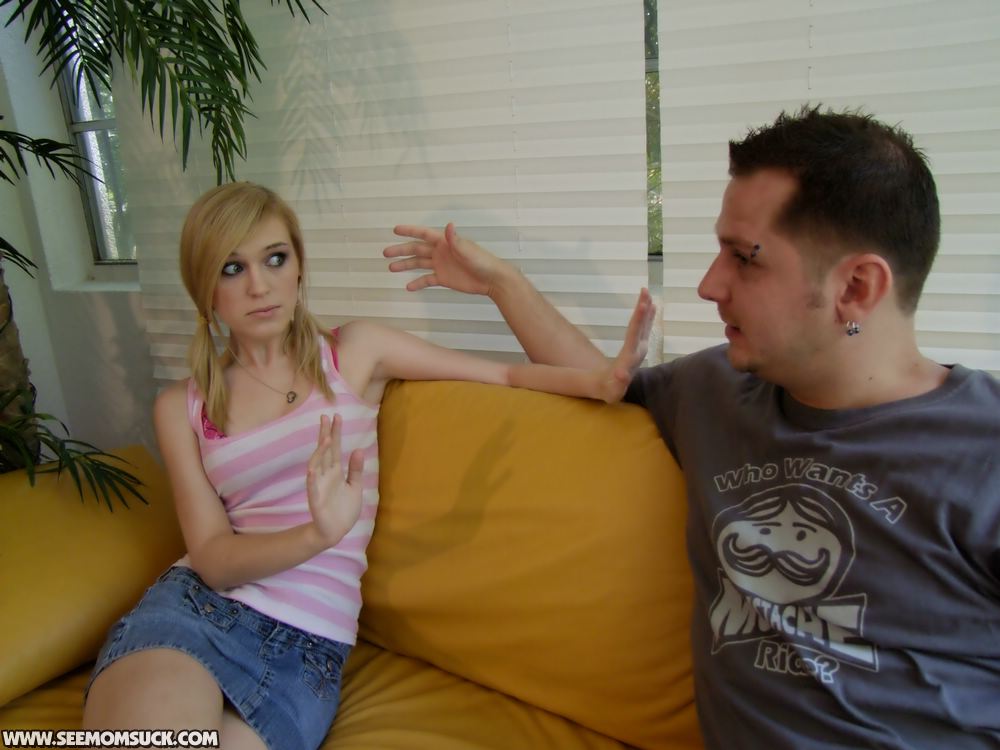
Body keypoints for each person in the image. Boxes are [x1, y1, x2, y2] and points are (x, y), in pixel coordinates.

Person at [384, 105, 1000, 749]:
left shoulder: (983, 449)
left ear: (857, 287)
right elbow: (602, 383)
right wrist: (503, 284)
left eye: (745, 258)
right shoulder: (714, 390)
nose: (709, 284)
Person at [81, 182, 654, 750]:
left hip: (305, 654)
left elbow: (504, 375)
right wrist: (316, 535)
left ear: (299, 267)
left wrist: (598, 380)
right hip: (195, 615)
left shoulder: (352, 353)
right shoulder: (181, 407)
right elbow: (213, 560)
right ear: (204, 286)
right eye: (233, 269)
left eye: (275, 259)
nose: (260, 285)